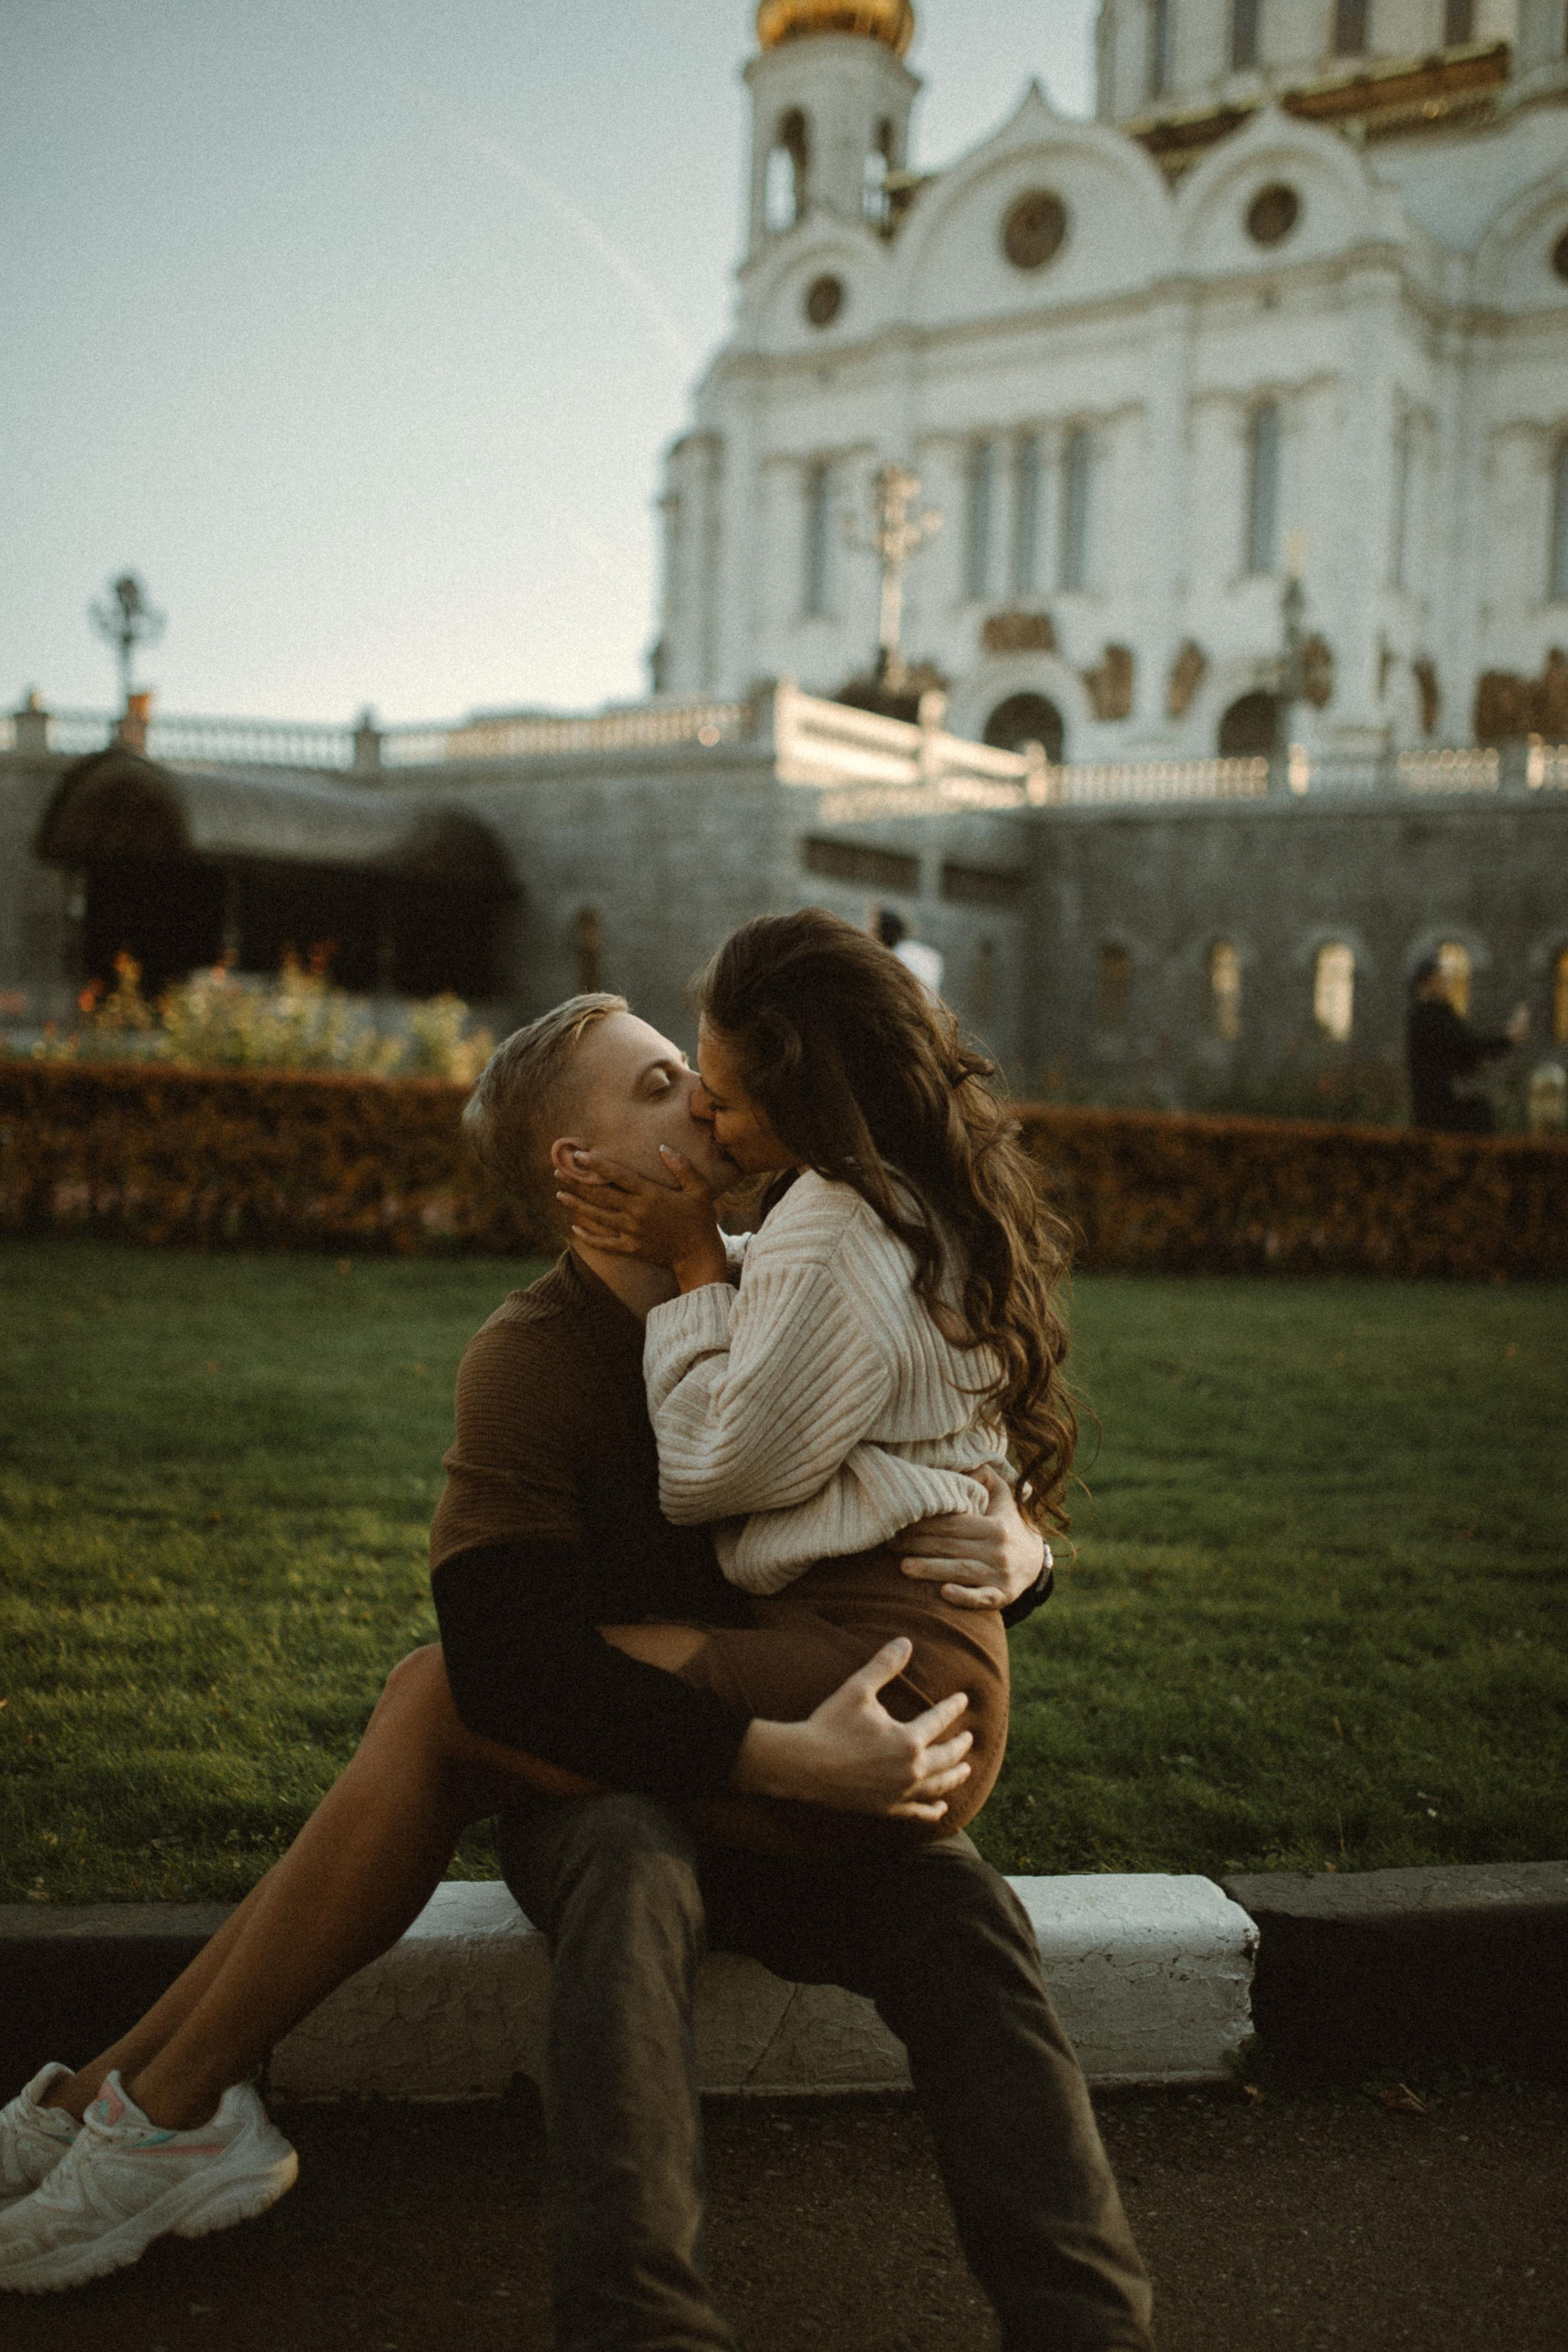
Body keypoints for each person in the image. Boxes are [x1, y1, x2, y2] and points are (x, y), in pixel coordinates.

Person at [0, 994, 1144, 2342]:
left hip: (835, 1743)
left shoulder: (793, 1273)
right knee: (610, 1853)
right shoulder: (530, 1360)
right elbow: (508, 1673)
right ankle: (637, 2322)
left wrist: (1020, 1549)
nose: (708, 1098)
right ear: (577, 1166)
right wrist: (773, 1755)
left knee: (964, 1918)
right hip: (603, 1767)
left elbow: (916, 1488)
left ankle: (1089, 2330)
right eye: (661, 1084)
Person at [554, 908, 1076, 1849]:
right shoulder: (902, 1193)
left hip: (879, 1676)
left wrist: (694, 1269)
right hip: (915, 1664)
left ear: (810, 1097)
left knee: (505, 1691)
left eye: (724, 1096)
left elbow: (713, 1468)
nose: (704, 1114)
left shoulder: (836, 1224)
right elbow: (808, 1319)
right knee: (503, 1698)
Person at [1406, 953, 1529, 1133]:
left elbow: (1461, 1051)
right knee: (1480, 1118)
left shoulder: (1427, 1014)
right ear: (1431, 981)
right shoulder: (1432, 1015)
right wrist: (1507, 1040)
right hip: (1441, 1108)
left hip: (1433, 1105)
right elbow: (1467, 1048)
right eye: (1442, 978)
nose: (1448, 983)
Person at [874, 903, 944, 997]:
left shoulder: (897, 957)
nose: (870, 933)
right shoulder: (925, 953)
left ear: (883, 930)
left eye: (874, 928)